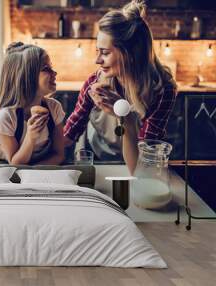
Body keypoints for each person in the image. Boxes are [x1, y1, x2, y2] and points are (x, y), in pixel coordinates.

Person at [63, 0, 177, 174]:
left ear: (130, 54)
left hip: (135, 164)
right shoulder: (95, 84)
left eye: (106, 53)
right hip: (98, 162)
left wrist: (127, 119)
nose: (97, 60)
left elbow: (140, 169)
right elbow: (69, 134)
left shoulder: (162, 90)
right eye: (97, 51)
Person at [0, 42, 65, 165]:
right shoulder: (6, 117)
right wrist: (31, 136)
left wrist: (36, 173)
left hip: (40, 173)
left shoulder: (54, 108)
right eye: (46, 69)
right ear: (26, 77)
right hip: (11, 174)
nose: (54, 73)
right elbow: (16, 164)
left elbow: (58, 154)